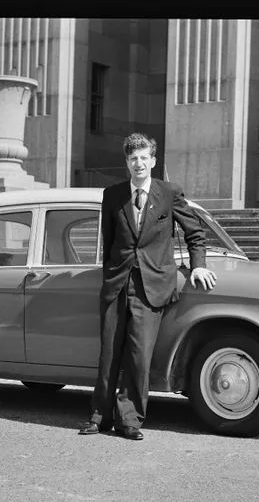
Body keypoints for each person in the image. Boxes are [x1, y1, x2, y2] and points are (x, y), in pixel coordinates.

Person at [79, 133, 216, 441]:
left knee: (139, 357)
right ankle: (99, 416)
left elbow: (195, 232)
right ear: (127, 163)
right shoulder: (112, 195)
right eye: (133, 159)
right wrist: (109, 276)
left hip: (151, 286)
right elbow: (109, 240)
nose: (138, 163)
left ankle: (129, 420)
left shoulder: (168, 193)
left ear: (153, 161)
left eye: (143, 158)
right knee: (109, 354)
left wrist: (198, 266)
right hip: (117, 284)